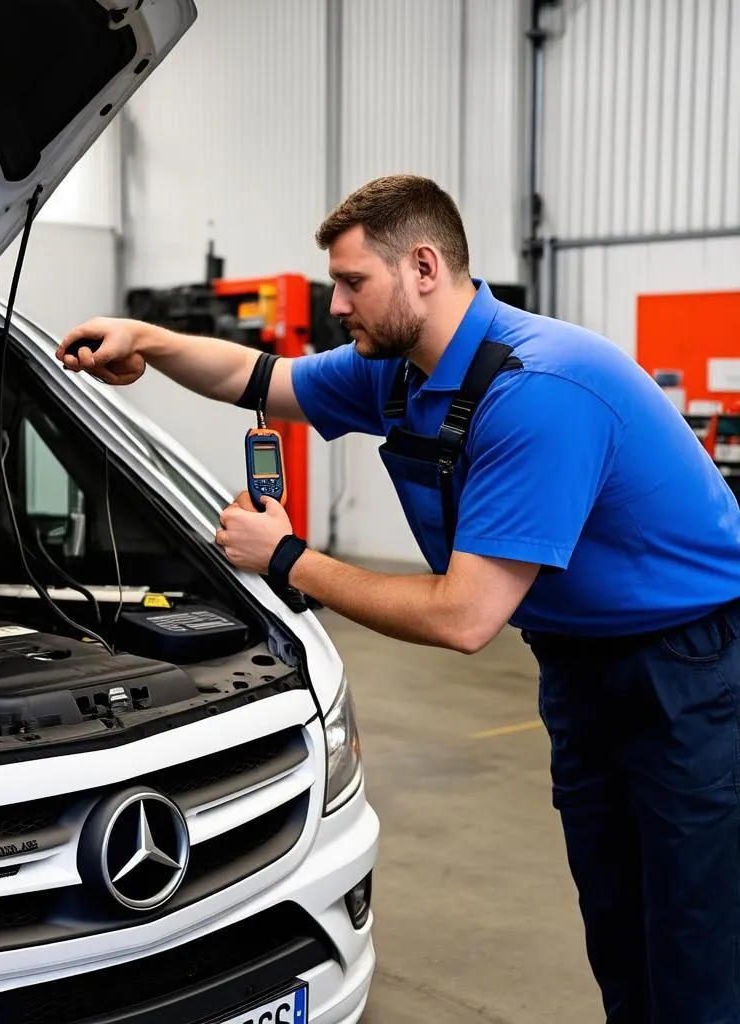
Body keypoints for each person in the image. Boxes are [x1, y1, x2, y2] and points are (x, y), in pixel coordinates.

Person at [57, 173, 740, 1023]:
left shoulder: (537, 392)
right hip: (580, 668)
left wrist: (291, 558)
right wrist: (148, 340)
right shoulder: (406, 371)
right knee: (618, 919)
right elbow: (262, 377)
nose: (336, 304)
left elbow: (464, 618)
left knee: (697, 936)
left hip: (689, 676)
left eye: (352, 283)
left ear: (422, 266)